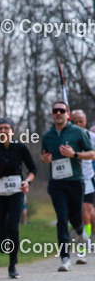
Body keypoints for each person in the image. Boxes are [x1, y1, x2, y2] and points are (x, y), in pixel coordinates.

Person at [0, 117, 36, 278]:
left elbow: (33, 169)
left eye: (6, 128)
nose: (3, 131)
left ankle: (12, 264)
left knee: (13, 227)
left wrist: (27, 182)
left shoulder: (21, 148)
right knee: (1, 232)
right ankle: (2, 239)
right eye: (0, 129)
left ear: (12, 131)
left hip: (16, 193)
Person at [40, 101, 94, 271]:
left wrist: (74, 154)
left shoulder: (77, 132)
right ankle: (65, 259)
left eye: (61, 110)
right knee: (62, 219)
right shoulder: (48, 136)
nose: (58, 113)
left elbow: (92, 154)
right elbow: (44, 156)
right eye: (55, 111)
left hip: (75, 181)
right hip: (56, 183)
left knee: (75, 217)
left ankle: (81, 232)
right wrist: (45, 160)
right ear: (52, 114)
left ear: (67, 114)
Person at [70, 109, 95, 263]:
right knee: (78, 215)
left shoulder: (91, 137)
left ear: (85, 122)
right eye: (75, 122)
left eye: (81, 121)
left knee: (85, 214)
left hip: (88, 179)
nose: (78, 124)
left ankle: (82, 249)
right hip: (71, 181)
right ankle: (85, 238)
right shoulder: (67, 135)